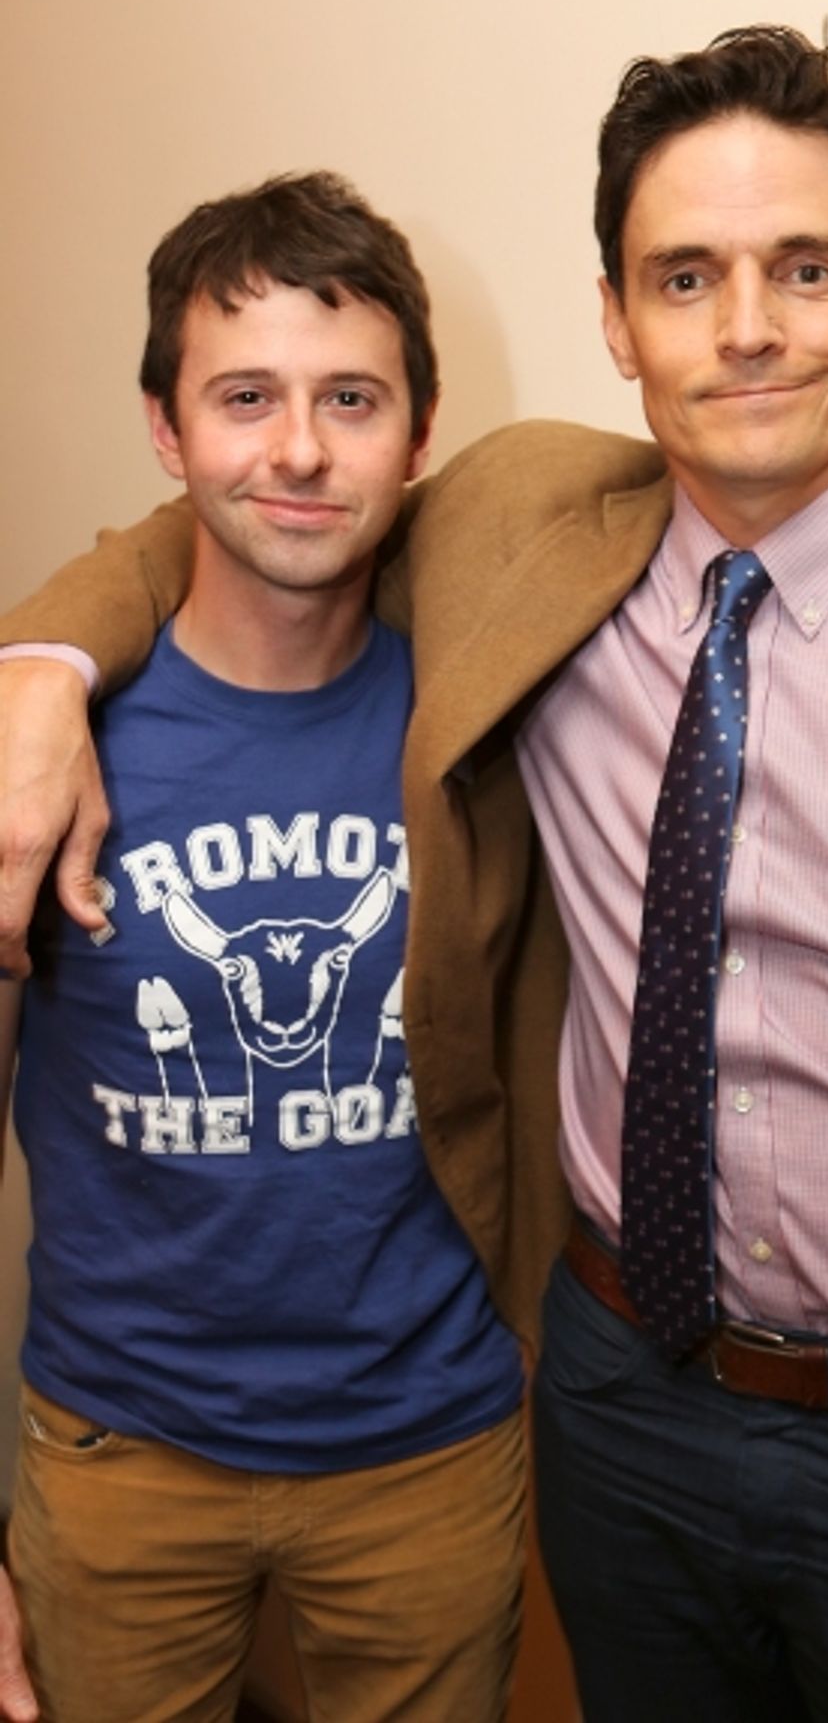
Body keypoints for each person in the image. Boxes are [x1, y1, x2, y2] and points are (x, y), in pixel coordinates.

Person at [1, 26, 828, 1721]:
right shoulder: (521, 531)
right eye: (687, 277)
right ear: (617, 322)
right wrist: (39, 665)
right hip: (620, 1411)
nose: (752, 327)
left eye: (806, 268)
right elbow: (253, 506)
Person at [0, 170, 600, 1723]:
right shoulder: (45, 759)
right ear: (164, 426)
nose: (299, 450)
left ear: (421, 427)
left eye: (351, 397)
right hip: (117, 1451)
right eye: (243, 395)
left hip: (430, 1443)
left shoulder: (493, 705)